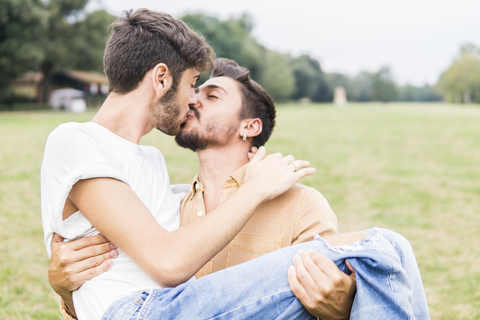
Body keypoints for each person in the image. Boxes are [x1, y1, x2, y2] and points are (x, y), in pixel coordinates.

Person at [42, 9, 429, 320]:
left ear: (250, 127)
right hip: (146, 310)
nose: (192, 98)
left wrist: (343, 302)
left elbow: (318, 298)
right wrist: (62, 286)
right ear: (161, 78)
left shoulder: (154, 166)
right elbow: (167, 260)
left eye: (208, 92)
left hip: (175, 306)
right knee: (384, 244)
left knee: (385, 249)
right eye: (194, 83)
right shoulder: (76, 141)